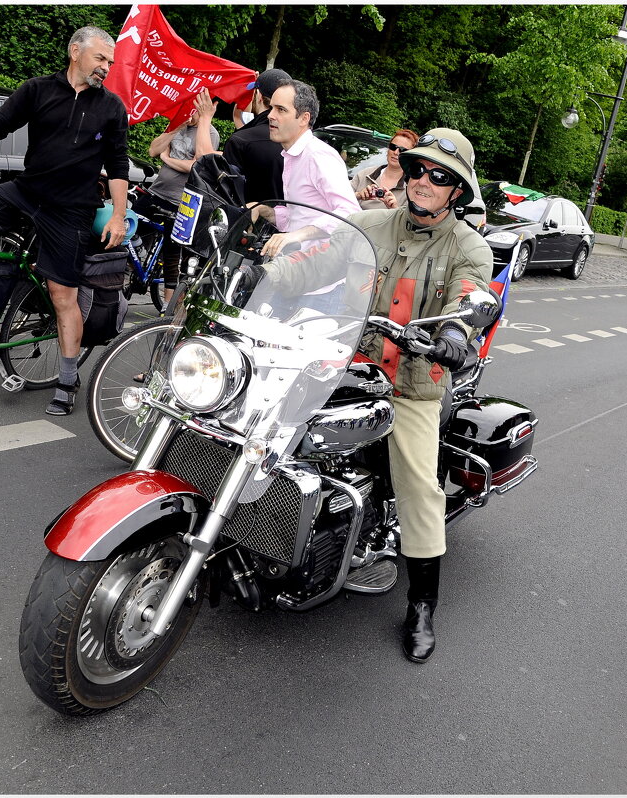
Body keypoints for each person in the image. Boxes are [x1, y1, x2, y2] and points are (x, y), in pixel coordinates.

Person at [256, 128, 491, 664]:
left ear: (457, 190)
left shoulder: (466, 244)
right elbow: (313, 262)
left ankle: (423, 604)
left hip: (412, 380)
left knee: (417, 484)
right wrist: (264, 272)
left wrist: (455, 334)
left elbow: (474, 292)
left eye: (440, 176)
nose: (424, 181)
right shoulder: (369, 225)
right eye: (418, 170)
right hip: (346, 362)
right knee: (264, 422)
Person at [0, 26, 130, 416]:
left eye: (110, 62)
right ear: (75, 52)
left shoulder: (111, 107)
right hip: (26, 191)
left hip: (71, 209)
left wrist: (117, 214)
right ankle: (4, 290)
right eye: (100, 58)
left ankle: (67, 379)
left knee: (63, 295)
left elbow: (117, 166)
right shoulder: (38, 89)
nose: (106, 68)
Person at [256, 80, 359, 257]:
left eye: (281, 109)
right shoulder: (292, 154)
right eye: (272, 107)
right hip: (295, 269)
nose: (270, 115)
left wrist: (297, 235)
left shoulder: (318, 156)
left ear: (304, 118)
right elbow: (302, 215)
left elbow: (350, 213)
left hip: (320, 276)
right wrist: (264, 211)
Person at [133, 107, 219, 286]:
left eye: (193, 111)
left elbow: (197, 166)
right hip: (157, 191)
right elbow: (153, 151)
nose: (189, 115)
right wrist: (175, 128)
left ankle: (167, 303)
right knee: (130, 224)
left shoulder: (209, 132)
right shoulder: (177, 126)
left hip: (179, 200)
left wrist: (167, 160)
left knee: (172, 253)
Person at [192, 68, 293, 203]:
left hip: (247, 218)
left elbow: (205, 158)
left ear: (258, 96)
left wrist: (204, 117)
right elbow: (238, 117)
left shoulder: (242, 140)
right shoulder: (296, 138)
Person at [349, 129, 418, 210]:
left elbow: (410, 220)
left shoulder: (412, 188)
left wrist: (394, 209)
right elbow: (338, 198)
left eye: (403, 150)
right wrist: (358, 195)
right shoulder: (364, 174)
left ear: (411, 157)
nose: (396, 152)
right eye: (393, 147)